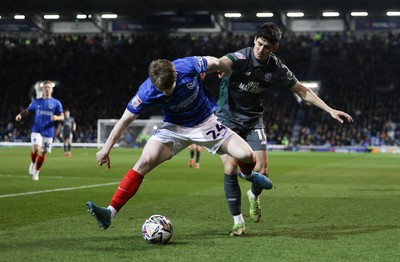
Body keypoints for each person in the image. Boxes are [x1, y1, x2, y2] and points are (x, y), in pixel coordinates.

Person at [86, 56, 272, 234]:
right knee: (144, 161)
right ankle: (109, 213)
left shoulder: (188, 66)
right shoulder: (147, 91)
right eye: (162, 90)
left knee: (247, 155)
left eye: (169, 88)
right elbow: (125, 120)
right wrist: (106, 148)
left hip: (205, 122)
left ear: (175, 75)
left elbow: (214, 61)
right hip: (174, 128)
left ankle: (247, 174)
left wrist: (223, 70)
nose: (166, 93)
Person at [216, 22, 354, 236]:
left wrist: (329, 110)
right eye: (259, 44)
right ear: (254, 40)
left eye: (267, 47)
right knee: (230, 168)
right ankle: (238, 221)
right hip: (227, 120)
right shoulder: (241, 58)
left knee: (262, 171)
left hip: (253, 120)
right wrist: (218, 67)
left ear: (274, 48)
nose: (261, 49)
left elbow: (302, 90)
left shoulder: (276, 67)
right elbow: (224, 61)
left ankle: (254, 196)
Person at [15, 80, 64, 180]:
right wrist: (20, 115)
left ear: (52, 90)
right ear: (42, 89)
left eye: (49, 87)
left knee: (43, 153)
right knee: (36, 149)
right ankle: (33, 163)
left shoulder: (56, 103)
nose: (47, 89)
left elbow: (62, 116)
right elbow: (27, 110)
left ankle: (36, 171)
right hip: (36, 130)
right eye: (45, 87)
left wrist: (57, 118)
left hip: (49, 132)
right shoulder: (37, 102)